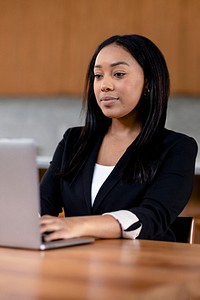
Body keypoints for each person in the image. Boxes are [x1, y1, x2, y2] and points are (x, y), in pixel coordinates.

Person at [40, 34, 198, 242]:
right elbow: (40, 206)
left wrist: (79, 225)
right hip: (76, 263)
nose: (104, 85)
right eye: (98, 76)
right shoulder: (74, 140)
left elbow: (151, 217)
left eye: (119, 74)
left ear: (149, 81)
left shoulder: (178, 148)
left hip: (142, 267)